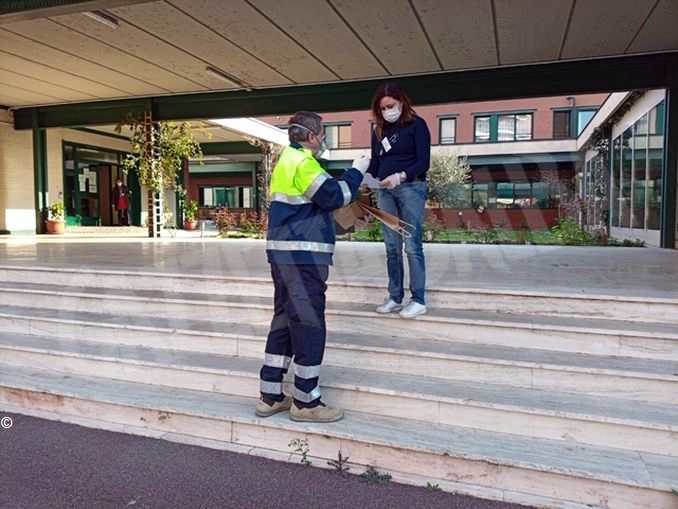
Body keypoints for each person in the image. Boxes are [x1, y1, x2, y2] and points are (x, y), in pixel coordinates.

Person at [256, 111, 369, 423]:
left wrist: (346, 222)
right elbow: (333, 196)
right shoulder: (304, 163)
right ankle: (306, 402)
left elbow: (308, 210)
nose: (323, 140)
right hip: (303, 258)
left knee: (284, 320)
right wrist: (357, 172)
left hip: (283, 255)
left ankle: (271, 396)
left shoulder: (287, 161)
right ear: (309, 135)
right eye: (322, 134)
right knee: (308, 324)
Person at [367, 82, 431, 319]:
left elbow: (423, 161)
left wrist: (401, 176)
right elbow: (376, 161)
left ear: (401, 102)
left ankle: (418, 299)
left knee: (412, 245)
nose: (387, 111)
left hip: (411, 188)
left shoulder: (417, 125)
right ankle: (395, 297)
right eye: (382, 108)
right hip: (385, 191)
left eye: (390, 106)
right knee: (391, 246)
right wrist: (365, 177)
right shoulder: (379, 129)